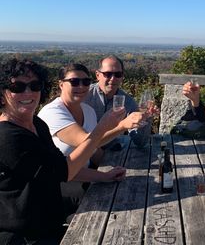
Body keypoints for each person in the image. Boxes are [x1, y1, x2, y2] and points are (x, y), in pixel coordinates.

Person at [0, 58, 137, 244]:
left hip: (48, 224)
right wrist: (108, 127)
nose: (28, 92)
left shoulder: (36, 124)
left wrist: (105, 176)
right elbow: (66, 172)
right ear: (3, 93)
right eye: (18, 87)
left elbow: (60, 166)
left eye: (35, 85)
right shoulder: (8, 137)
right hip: (23, 235)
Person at [38, 63, 145, 214]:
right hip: (58, 182)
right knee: (110, 201)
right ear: (61, 84)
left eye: (86, 82)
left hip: (82, 174)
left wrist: (111, 168)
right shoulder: (53, 112)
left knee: (126, 188)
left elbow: (93, 150)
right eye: (74, 82)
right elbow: (86, 141)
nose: (81, 86)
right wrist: (122, 126)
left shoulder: (88, 111)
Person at [84, 55, 150, 148]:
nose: (113, 78)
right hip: (84, 152)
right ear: (98, 75)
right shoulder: (85, 96)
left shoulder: (128, 102)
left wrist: (146, 118)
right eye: (108, 74)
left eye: (117, 74)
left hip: (113, 153)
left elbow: (140, 141)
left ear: (122, 76)